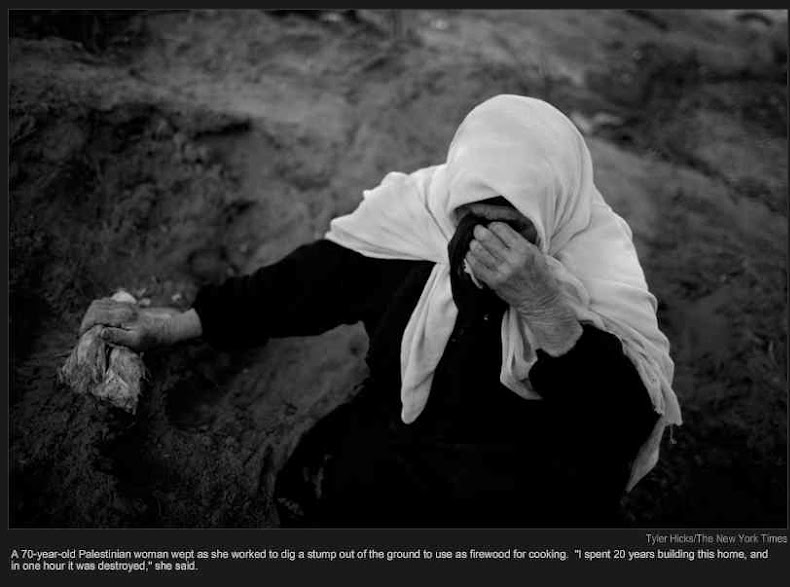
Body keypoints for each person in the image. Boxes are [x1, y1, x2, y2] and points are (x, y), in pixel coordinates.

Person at [79, 94, 682, 527]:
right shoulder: (416, 223)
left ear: (554, 208)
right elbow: (300, 287)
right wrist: (175, 325)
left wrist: (546, 306)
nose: (487, 246)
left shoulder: (596, 269)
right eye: (474, 221)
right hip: (406, 444)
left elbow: (622, 424)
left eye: (516, 228)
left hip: (528, 482)